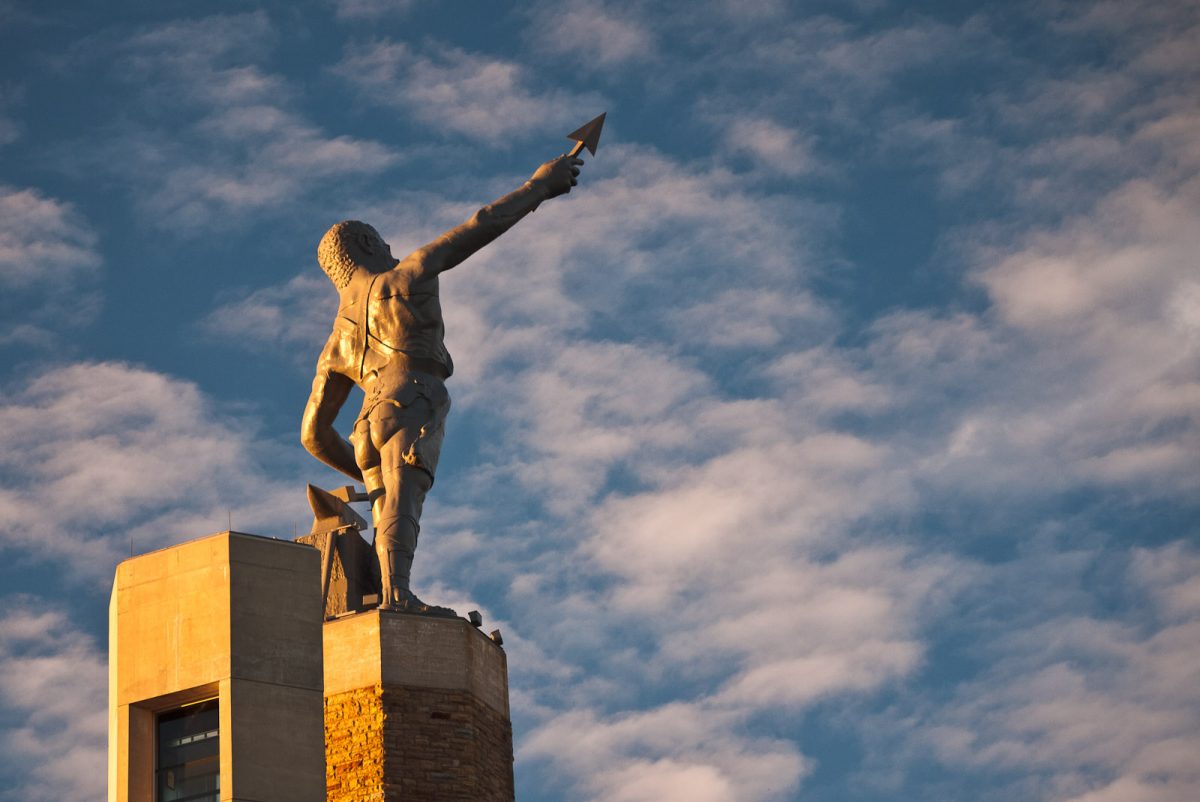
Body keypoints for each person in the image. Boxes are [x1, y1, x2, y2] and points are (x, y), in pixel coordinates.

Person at [301, 154, 582, 610]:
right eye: (383, 243)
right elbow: (478, 226)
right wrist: (539, 187)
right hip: (411, 397)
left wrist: (359, 467)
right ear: (367, 244)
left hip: (364, 424)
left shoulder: (337, 342)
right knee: (402, 506)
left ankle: (394, 590)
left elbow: (312, 434)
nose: (391, 249)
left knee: (388, 503)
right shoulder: (403, 278)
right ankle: (397, 597)